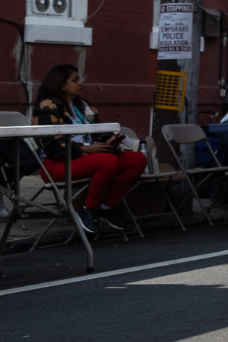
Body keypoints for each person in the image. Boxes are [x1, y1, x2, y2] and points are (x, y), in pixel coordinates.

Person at [31, 65, 146, 234]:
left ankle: (106, 207)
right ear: (61, 83)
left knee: (137, 159)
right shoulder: (47, 105)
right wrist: (85, 149)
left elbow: (93, 134)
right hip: (57, 164)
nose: (81, 83)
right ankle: (88, 210)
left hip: (86, 159)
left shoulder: (82, 105)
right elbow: (52, 146)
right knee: (109, 161)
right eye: (75, 80)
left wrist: (108, 141)